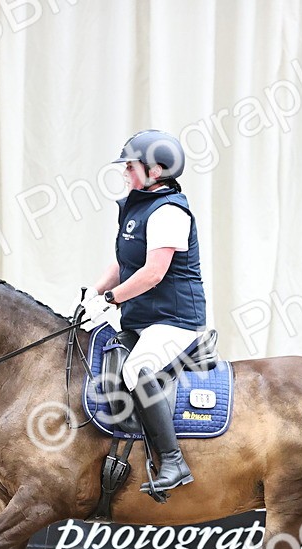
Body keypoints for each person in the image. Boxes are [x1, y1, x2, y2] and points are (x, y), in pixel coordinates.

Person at [79, 129, 206, 494]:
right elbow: (124, 264)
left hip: (175, 321)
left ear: (157, 170)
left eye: (131, 166)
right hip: (144, 321)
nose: (125, 172)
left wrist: (112, 299)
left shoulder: (169, 212)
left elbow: (152, 273)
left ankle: (173, 461)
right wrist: (94, 292)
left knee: (137, 369)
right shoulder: (137, 208)